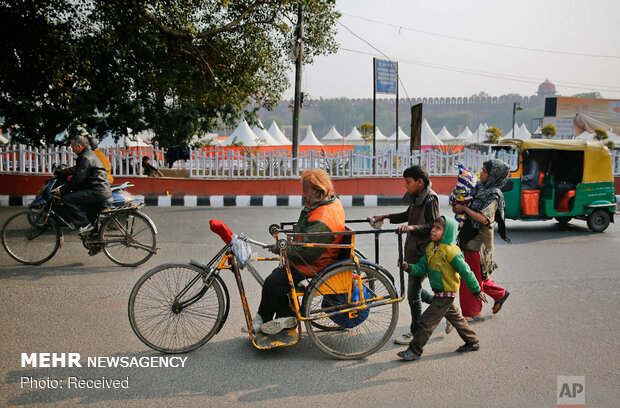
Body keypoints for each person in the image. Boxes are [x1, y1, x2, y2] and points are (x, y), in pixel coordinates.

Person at [252, 169, 346, 335]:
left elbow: (307, 251)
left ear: (317, 191)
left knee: (273, 282)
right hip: (316, 255)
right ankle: (284, 316)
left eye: (305, 191)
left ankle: (263, 318)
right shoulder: (327, 203)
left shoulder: (323, 216)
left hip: (315, 263)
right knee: (279, 279)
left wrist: (283, 249)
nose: (302, 195)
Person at [369, 165, 450, 345]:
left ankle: (415, 332)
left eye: (408, 182)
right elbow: (407, 215)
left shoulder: (431, 199)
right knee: (417, 291)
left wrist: (412, 228)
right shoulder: (417, 198)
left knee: (413, 293)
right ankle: (448, 309)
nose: (405, 186)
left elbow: (433, 226)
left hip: (424, 253)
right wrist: (384, 216)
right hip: (414, 250)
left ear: (419, 182)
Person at [397, 216, 487, 361]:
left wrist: (476, 290)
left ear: (446, 233)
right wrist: (408, 267)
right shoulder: (431, 248)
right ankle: (472, 340)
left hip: (447, 293)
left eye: (438, 228)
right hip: (439, 292)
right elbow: (421, 268)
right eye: (433, 227)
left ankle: (414, 351)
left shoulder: (452, 252)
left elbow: (466, 272)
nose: (433, 230)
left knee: (426, 322)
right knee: (456, 318)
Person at [452, 159, 511, 321]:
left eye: (485, 171)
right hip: (469, 235)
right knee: (474, 275)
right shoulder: (480, 187)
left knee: (470, 276)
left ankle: (472, 312)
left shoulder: (493, 195)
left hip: (478, 241)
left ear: (493, 175)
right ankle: (499, 293)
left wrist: (464, 209)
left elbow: (484, 218)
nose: (481, 173)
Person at [52, 135, 112, 234]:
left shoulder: (85, 157)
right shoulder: (90, 154)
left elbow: (78, 178)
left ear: (79, 146)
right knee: (90, 215)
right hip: (101, 189)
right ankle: (95, 239)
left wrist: (63, 189)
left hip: (97, 191)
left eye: (73, 147)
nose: (72, 150)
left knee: (67, 198)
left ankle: (83, 224)